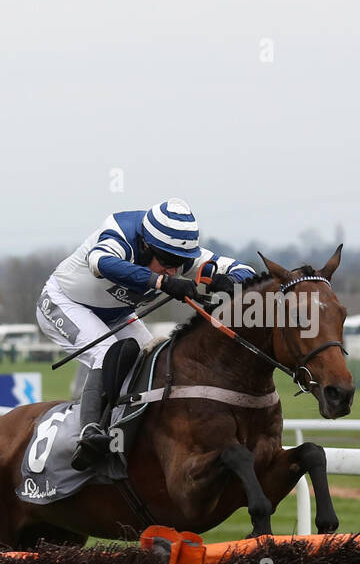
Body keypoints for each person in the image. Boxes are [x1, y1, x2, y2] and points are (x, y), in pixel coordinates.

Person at [35, 198, 256, 470]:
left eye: (180, 263)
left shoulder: (173, 252)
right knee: (105, 355)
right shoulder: (120, 232)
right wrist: (162, 282)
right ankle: (89, 434)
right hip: (64, 303)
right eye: (167, 262)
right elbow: (101, 262)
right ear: (145, 245)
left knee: (152, 361)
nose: (174, 269)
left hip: (117, 314)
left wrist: (231, 281)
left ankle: (131, 435)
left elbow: (245, 272)